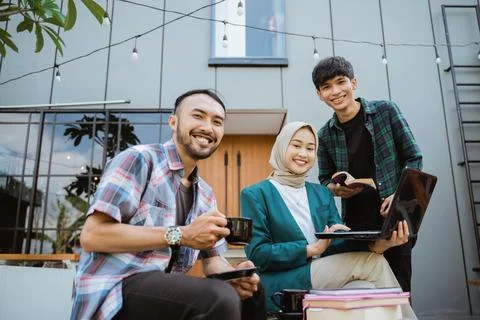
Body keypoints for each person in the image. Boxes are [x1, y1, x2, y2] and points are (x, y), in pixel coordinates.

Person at [71, 89, 265, 320]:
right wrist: (180, 234)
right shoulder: (140, 159)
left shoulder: (205, 194)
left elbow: (212, 261)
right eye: (198, 116)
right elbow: (92, 236)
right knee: (218, 298)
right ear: (173, 122)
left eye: (217, 121)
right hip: (116, 288)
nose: (208, 127)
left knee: (252, 292)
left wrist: (236, 274)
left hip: (163, 290)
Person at [241, 121, 410, 312]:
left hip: (324, 273)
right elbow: (258, 253)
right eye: (296, 145)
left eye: (310, 148)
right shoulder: (255, 194)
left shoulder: (321, 193)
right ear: (281, 146)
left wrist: (380, 245)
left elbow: (337, 244)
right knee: (374, 264)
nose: (303, 154)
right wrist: (311, 249)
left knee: (368, 289)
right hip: (283, 280)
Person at [312, 56, 423, 292]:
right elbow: (324, 179)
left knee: (398, 291)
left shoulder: (386, 111)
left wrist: (399, 195)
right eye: (326, 87)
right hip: (355, 228)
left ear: (354, 83)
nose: (335, 91)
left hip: (394, 221)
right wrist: (335, 189)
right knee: (363, 292)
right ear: (319, 94)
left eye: (341, 82)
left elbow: (414, 157)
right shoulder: (325, 135)